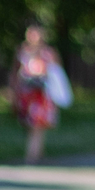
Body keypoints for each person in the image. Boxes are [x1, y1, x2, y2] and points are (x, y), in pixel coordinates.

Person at [9, 23, 68, 164]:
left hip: (42, 94)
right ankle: (37, 153)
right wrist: (13, 91)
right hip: (27, 93)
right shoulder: (23, 52)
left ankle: (32, 156)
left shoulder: (48, 53)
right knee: (30, 125)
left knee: (38, 124)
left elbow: (56, 73)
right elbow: (15, 73)